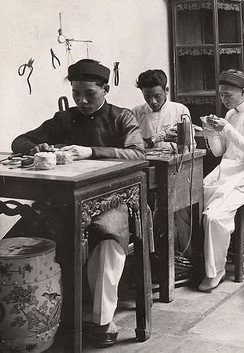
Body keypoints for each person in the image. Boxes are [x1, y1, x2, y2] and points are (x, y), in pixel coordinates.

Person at [11, 58, 145, 347]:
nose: (82, 101)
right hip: (67, 202)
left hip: (112, 200)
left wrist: (91, 151)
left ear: (106, 89)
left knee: (108, 238)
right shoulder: (63, 119)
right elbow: (19, 141)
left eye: (89, 94)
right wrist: (36, 147)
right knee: (25, 232)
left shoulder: (122, 117)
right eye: (76, 93)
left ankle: (103, 320)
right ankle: (34, 314)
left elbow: (137, 153)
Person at [198, 69, 244, 292]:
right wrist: (210, 133)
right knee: (189, 206)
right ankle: (198, 259)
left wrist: (227, 129)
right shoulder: (230, 115)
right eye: (221, 95)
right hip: (225, 174)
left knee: (213, 217)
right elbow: (220, 152)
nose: (224, 99)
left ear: (243, 92)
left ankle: (215, 271)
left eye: (228, 95)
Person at [132, 69, 191, 149]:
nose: (153, 101)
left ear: (166, 90)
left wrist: (181, 140)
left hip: (174, 155)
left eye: (157, 96)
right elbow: (131, 143)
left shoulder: (180, 110)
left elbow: (189, 145)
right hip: (144, 156)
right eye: (147, 97)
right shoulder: (137, 112)